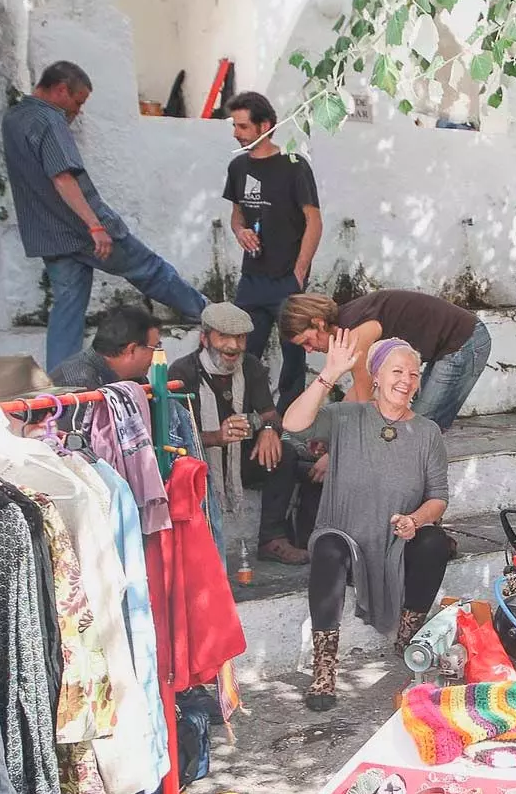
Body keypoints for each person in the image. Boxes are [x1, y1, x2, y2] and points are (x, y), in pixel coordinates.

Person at [1, 60, 207, 371]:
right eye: (77, 101)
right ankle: (208, 313)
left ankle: (64, 387)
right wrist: (95, 226)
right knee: (149, 269)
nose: (78, 111)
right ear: (60, 90)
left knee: (67, 310)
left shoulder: (14, 118)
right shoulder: (49, 120)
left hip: (49, 236)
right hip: (82, 228)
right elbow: (63, 178)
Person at [282, 333, 451, 711]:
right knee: (327, 548)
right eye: (397, 371)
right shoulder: (346, 417)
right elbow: (293, 424)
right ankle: (324, 668)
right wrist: (329, 375)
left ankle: (407, 637)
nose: (406, 380)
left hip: (395, 541)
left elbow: (438, 496)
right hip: (345, 535)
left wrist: (415, 520)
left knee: (435, 542)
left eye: (413, 373)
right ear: (375, 376)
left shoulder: (427, 432)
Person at [168, 303, 309, 565]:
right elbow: (173, 437)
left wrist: (269, 429)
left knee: (285, 454)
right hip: (200, 462)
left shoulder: (251, 366)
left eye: (240, 338)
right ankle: (196, 549)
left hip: (239, 459)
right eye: (224, 336)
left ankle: (272, 539)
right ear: (204, 337)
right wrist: (216, 437)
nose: (233, 346)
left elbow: (270, 414)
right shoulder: (182, 372)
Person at [223, 91, 322, 411]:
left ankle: (290, 421)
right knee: (241, 349)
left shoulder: (294, 165)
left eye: (242, 127)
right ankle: (246, 414)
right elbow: (237, 215)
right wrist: (240, 232)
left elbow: (314, 221)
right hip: (252, 279)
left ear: (265, 125)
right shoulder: (238, 167)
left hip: (287, 280)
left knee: (294, 354)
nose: (236, 133)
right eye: (235, 127)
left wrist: (299, 272)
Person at [279, 291, 491, 431]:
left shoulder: (354, 334)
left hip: (466, 339)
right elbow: (360, 389)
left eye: (306, 341)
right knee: (412, 426)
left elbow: (365, 404)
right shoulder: (348, 325)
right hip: (448, 343)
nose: (309, 350)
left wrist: (334, 450)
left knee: (420, 426)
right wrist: (331, 434)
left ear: (318, 323)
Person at [49, 305, 162, 388]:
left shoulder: (135, 378)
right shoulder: (79, 384)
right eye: (155, 347)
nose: (156, 356)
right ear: (131, 349)